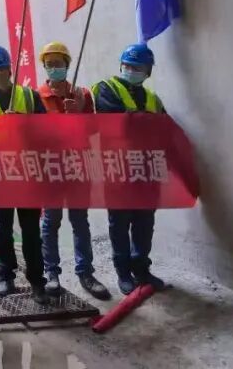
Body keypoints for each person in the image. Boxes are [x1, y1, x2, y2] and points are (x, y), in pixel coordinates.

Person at [0, 46, 50, 305]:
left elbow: (46, 131)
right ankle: (5, 275)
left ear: (10, 68)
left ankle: (37, 280)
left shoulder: (29, 96)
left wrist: (21, 122)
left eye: (2, 68)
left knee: (31, 230)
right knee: (2, 229)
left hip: (26, 174)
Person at [36, 42, 111, 301]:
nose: (54, 68)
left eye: (58, 63)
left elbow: (93, 132)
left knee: (80, 221)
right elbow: (33, 135)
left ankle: (85, 273)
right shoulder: (37, 97)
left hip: (78, 166)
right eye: (49, 64)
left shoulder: (82, 95)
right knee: (51, 221)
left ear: (67, 65)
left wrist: (79, 114)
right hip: (51, 168)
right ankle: (51, 274)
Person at [92, 43, 168, 296]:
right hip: (118, 169)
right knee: (119, 223)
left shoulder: (153, 99)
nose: (132, 70)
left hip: (146, 170)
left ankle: (142, 269)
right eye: (128, 66)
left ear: (148, 71)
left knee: (145, 223)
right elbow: (115, 122)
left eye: (138, 67)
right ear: (121, 66)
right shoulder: (106, 89)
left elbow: (165, 128)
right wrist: (144, 121)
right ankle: (123, 272)